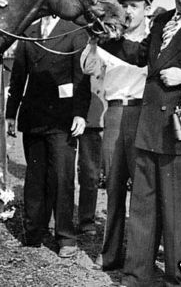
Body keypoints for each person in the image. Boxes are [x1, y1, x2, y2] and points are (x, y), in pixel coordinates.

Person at [101, 0, 181, 286]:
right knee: (144, 211)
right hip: (150, 131)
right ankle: (138, 277)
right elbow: (137, 54)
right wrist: (103, 36)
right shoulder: (162, 21)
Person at [6, 16, 90, 258]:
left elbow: (81, 77)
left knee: (62, 177)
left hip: (63, 118)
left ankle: (65, 237)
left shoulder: (75, 32)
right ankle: (33, 231)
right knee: (34, 177)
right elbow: (18, 75)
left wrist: (80, 114)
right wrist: (11, 113)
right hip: (33, 116)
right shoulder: (28, 31)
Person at [82, 0, 153, 271]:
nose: (128, 12)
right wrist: (92, 41)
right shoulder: (112, 40)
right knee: (113, 187)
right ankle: (110, 254)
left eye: (134, 6)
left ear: (147, 8)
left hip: (144, 114)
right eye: (124, 6)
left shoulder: (155, 40)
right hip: (114, 114)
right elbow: (88, 68)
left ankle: (139, 257)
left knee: (143, 190)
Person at [77, 67, 105, 237]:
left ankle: (86, 220)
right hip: (77, 116)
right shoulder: (82, 45)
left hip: (99, 117)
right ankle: (56, 217)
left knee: (91, 173)